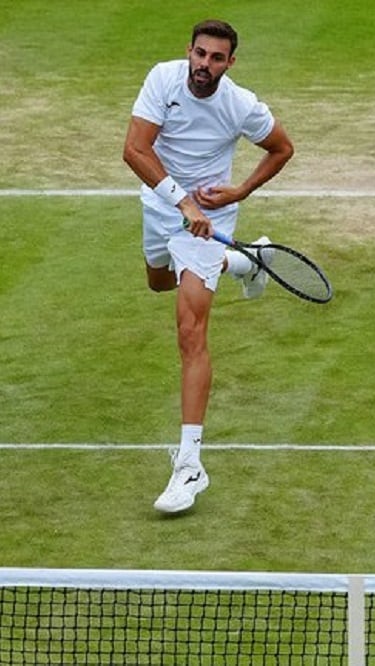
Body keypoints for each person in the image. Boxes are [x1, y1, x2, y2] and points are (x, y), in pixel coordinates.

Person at [122, 19, 294, 513]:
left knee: (190, 331)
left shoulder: (240, 104)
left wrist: (238, 191)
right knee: (158, 282)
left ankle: (190, 465)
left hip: (210, 215)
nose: (205, 65)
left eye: (216, 58)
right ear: (189, 52)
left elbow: (282, 148)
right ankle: (244, 261)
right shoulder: (163, 79)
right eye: (200, 54)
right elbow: (135, 149)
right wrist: (181, 204)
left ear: (230, 63)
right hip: (164, 207)